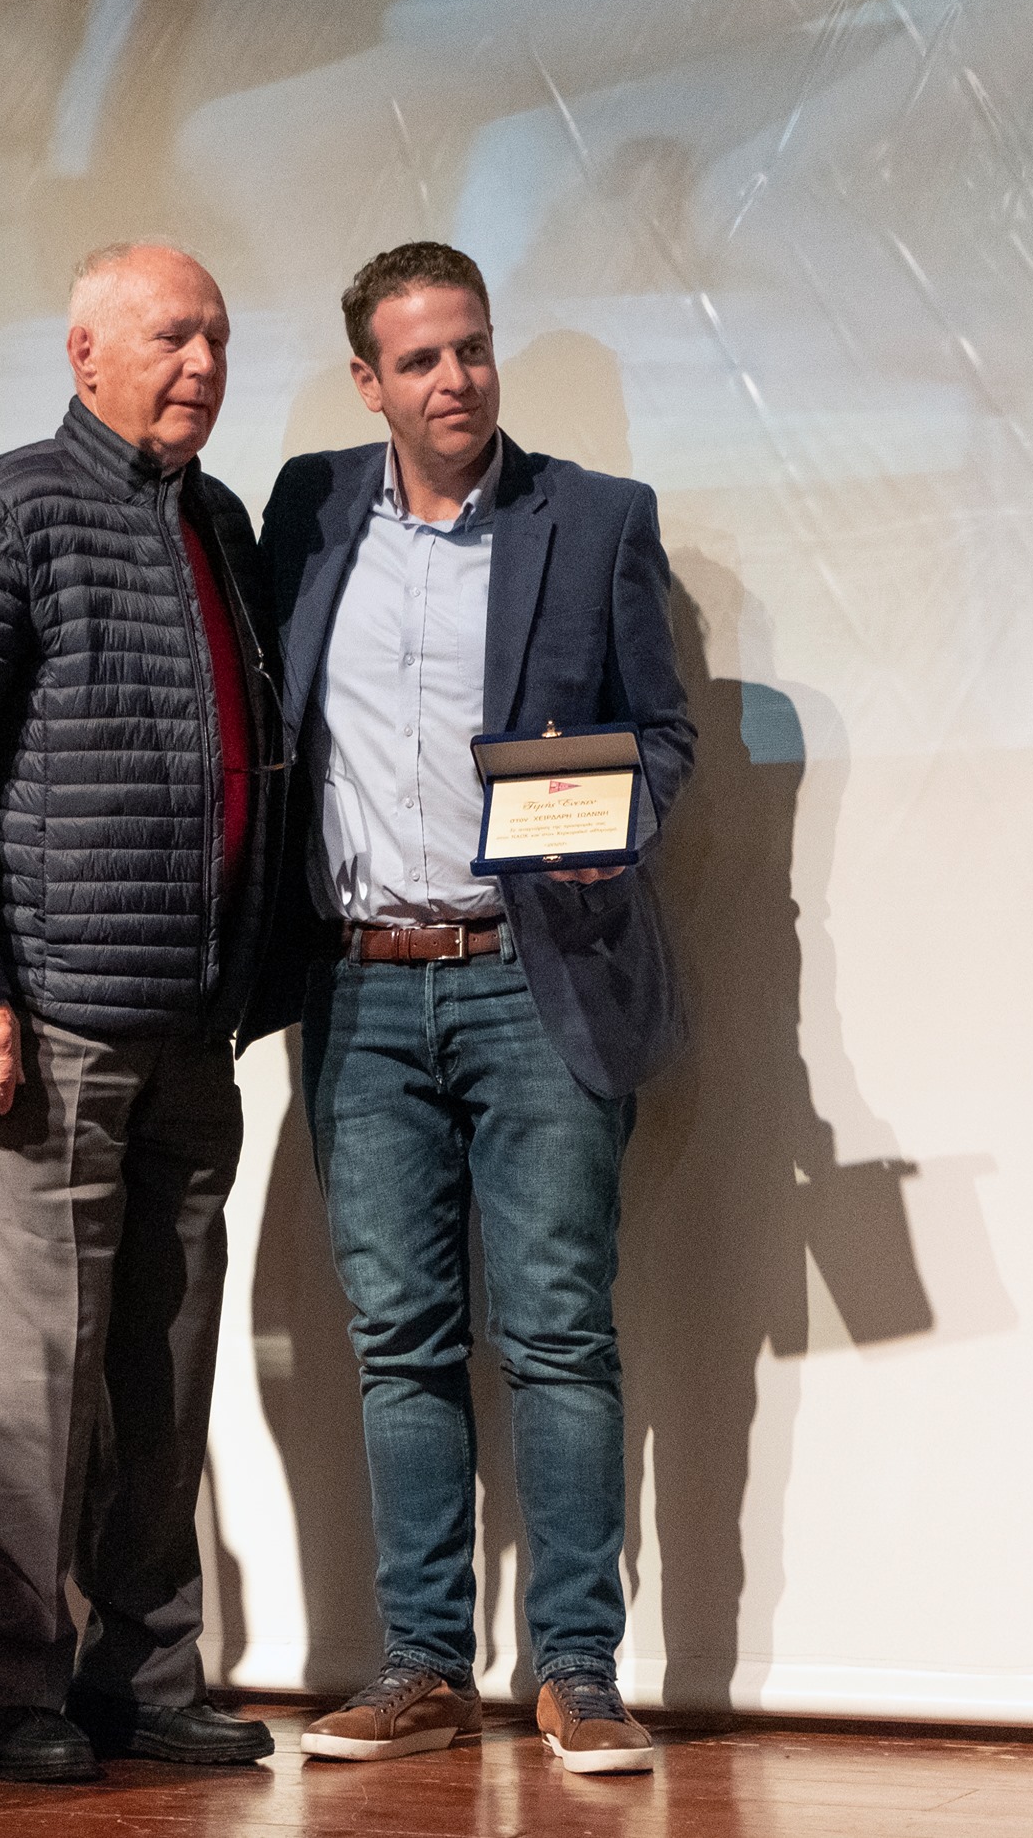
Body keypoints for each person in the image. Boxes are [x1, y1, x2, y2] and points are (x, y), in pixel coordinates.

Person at [241, 242, 694, 1773]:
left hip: (532, 977)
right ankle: (423, 1666)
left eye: (474, 349)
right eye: (422, 359)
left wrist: (609, 822)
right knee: (400, 1342)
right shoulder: (307, 513)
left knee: (558, 1331)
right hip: (359, 989)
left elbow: (665, 736)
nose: (457, 380)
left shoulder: (596, 517)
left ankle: (579, 1671)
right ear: (367, 381)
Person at [0, 242, 282, 1783]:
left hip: (191, 1031)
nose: (203, 364)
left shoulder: (219, 526)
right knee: (31, 1386)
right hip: (46, 1031)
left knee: (162, 1379)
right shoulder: (8, 509)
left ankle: (144, 1678)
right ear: (85, 352)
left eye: (219, 338)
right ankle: (8, 1691)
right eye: (172, 335)